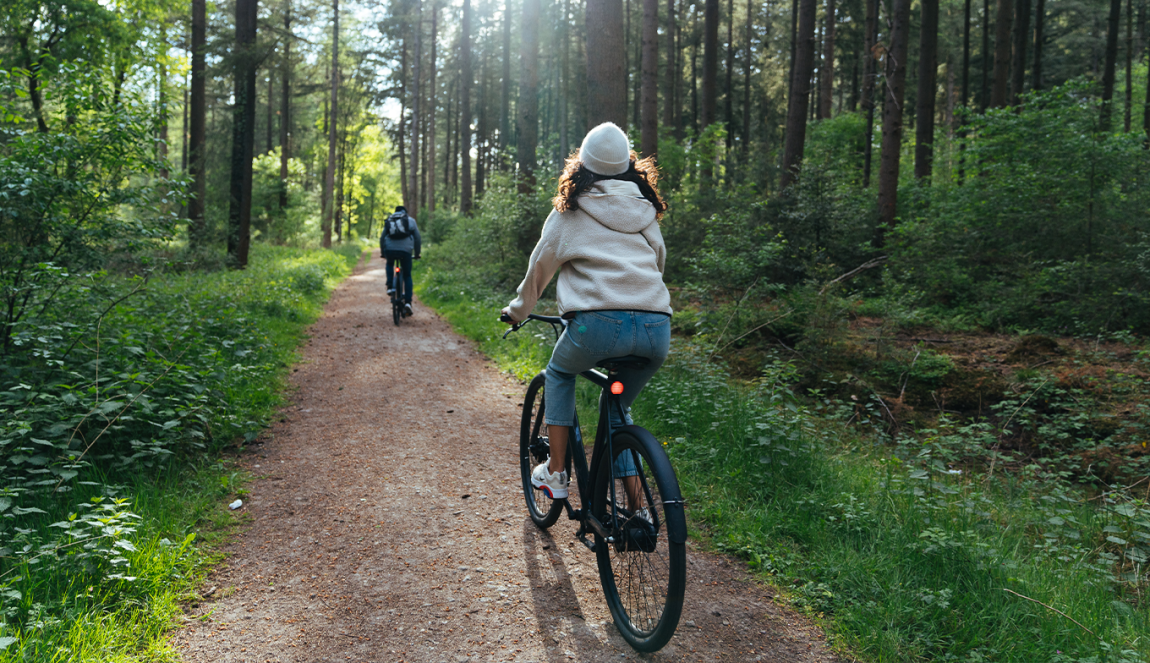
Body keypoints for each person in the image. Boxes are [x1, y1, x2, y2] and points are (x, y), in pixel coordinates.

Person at [502, 122, 671, 500]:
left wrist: (517, 311)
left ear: (583, 164)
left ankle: (557, 474)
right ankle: (637, 509)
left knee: (560, 373)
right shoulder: (644, 210)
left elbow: (538, 272)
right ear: (627, 164)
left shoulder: (570, 211)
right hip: (656, 327)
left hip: (596, 325)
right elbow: (658, 263)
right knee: (617, 406)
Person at [380, 205, 422, 316]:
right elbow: (417, 238)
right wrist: (417, 254)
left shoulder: (390, 219)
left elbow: (382, 237)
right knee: (407, 275)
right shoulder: (411, 220)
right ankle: (408, 302)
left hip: (390, 249)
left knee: (389, 263)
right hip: (406, 251)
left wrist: (382, 253)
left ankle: (390, 286)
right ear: (405, 212)